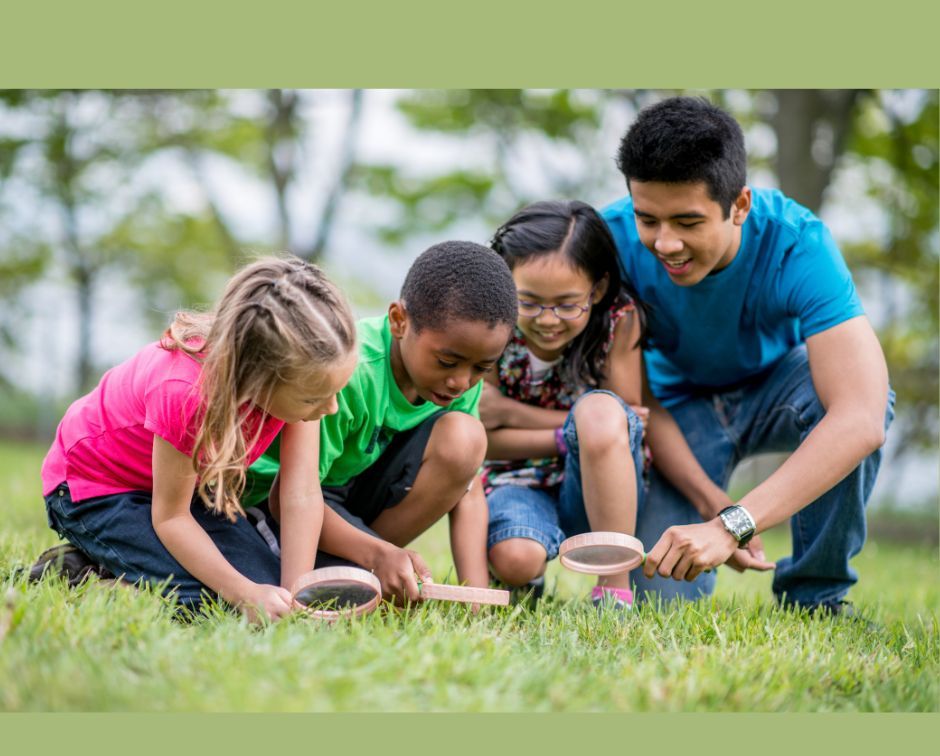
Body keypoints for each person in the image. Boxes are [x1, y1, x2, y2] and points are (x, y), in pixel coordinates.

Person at [602, 96, 893, 613]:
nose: (665, 243)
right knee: (660, 602)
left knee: (857, 398)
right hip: (678, 412)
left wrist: (732, 524)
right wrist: (712, 502)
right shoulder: (611, 244)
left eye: (688, 223)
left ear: (739, 205)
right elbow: (634, 403)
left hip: (773, 389)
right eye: (648, 219)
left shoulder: (797, 243)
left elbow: (862, 416)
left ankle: (816, 596)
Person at [36, 255, 357, 623]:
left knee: (265, 583)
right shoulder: (187, 393)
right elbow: (171, 518)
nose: (330, 407)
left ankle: (123, 562)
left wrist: (295, 597)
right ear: (258, 376)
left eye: (335, 391)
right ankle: (86, 575)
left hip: (175, 494)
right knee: (224, 600)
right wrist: (246, 595)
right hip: (93, 488)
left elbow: (300, 493)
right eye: (314, 398)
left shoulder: (304, 383)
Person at [479, 200, 731, 611]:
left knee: (601, 412)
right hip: (516, 481)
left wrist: (512, 415)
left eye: (566, 304)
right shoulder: (493, 325)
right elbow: (484, 440)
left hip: (603, 489)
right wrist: (566, 436)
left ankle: (613, 589)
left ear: (596, 289)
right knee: (516, 559)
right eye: (529, 302)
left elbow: (621, 424)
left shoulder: (618, 321)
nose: (547, 319)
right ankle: (526, 575)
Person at [243, 241, 517, 605]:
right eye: (447, 362)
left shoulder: (457, 382)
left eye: (482, 368)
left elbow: (469, 491)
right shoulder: (347, 371)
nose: (462, 382)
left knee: (466, 439)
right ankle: (362, 563)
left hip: (351, 498)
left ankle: (364, 564)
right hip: (280, 501)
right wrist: (377, 554)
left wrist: (478, 597)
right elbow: (290, 496)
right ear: (399, 321)